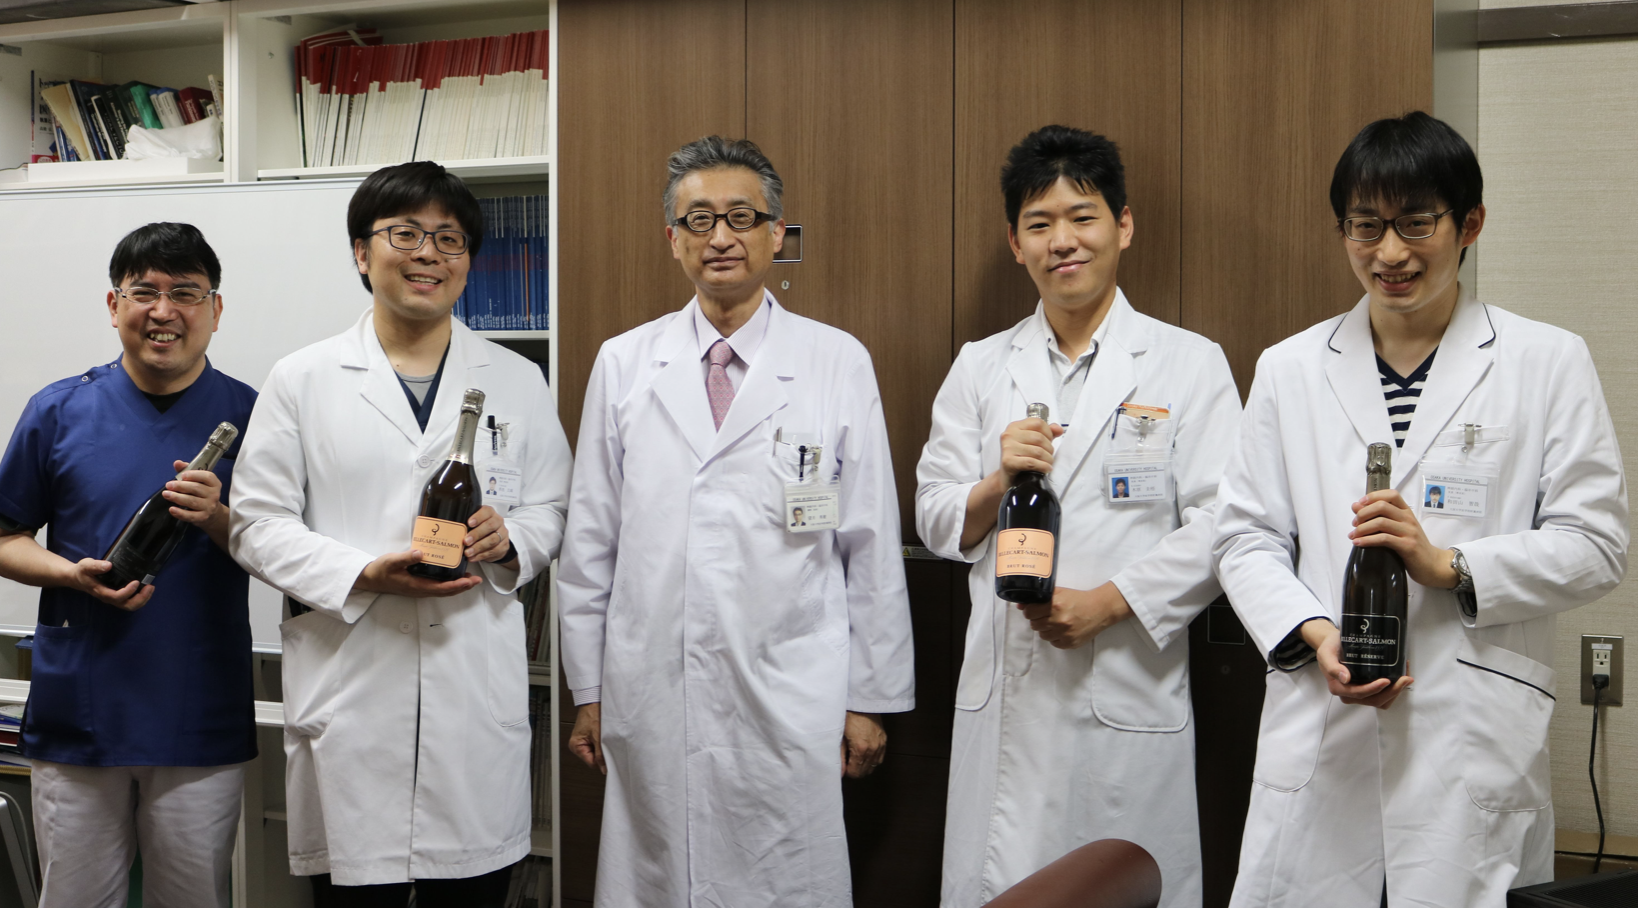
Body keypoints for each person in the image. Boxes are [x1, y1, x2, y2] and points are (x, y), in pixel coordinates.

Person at [1213, 111, 1627, 906]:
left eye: (1415, 223)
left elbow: (1597, 544)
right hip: (1323, 729)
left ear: (1469, 224)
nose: (1390, 252)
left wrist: (1450, 566)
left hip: (1468, 733)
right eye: (1365, 225)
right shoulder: (1289, 368)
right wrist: (1317, 635)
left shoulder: (1545, 361)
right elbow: (1244, 538)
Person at [558, 136, 915, 907]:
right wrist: (588, 686)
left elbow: (870, 544)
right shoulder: (624, 363)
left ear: (776, 233)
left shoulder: (835, 360)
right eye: (699, 220)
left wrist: (869, 699)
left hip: (791, 686)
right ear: (673, 239)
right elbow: (590, 543)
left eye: (741, 217)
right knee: (660, 873)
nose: (720, 236)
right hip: (652, 686)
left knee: (785, 876)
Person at [228, 162, 572, 905]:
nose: (428, 254)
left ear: (468, 260)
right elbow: (255, 524)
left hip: (469, 685)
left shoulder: (517, 379)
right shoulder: (303, 378)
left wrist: (511, 542)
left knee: (472, 890)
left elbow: (552, 507)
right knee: (357, 892)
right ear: (362, 252)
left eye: (449, 239)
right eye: (405, 234)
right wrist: (361, 573)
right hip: (353, 682)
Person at [916, 125, 1242, 907]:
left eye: (1082, 216)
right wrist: (997, 482)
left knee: (1116, 881)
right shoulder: (981, 366)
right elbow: (934, 515)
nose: (1062, 240)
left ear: (1123, 226)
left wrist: (1111, 602)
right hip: (1009, 691)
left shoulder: (1188, 364)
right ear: (1015, 243)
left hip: (1125, 679)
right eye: (1039, 223)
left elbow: (1225, 522)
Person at [0, 222, 257, 907]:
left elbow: (289, 553)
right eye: (144, 292)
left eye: (186, 293)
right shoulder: (58, 410)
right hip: (81, 710)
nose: (163, 311)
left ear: (215, 309)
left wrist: (219, 517)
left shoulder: (255, 418)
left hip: (199, 711)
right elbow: (5, 536)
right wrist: (68, 574)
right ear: (114, 306)